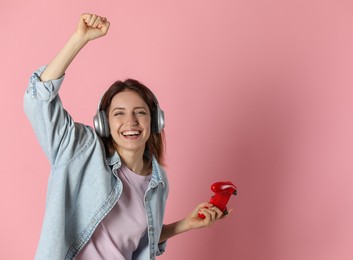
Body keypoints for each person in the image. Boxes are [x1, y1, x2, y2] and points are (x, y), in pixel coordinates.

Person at [24, 13, 229, 260]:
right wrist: (79, 39)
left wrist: (186, 224)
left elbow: (139, 240)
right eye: (119, 113)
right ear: (104, 123)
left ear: (155, 120)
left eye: (139, 112)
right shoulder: (80, 150)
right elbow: (39, 102)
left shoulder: (158, 180)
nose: (130, 122)